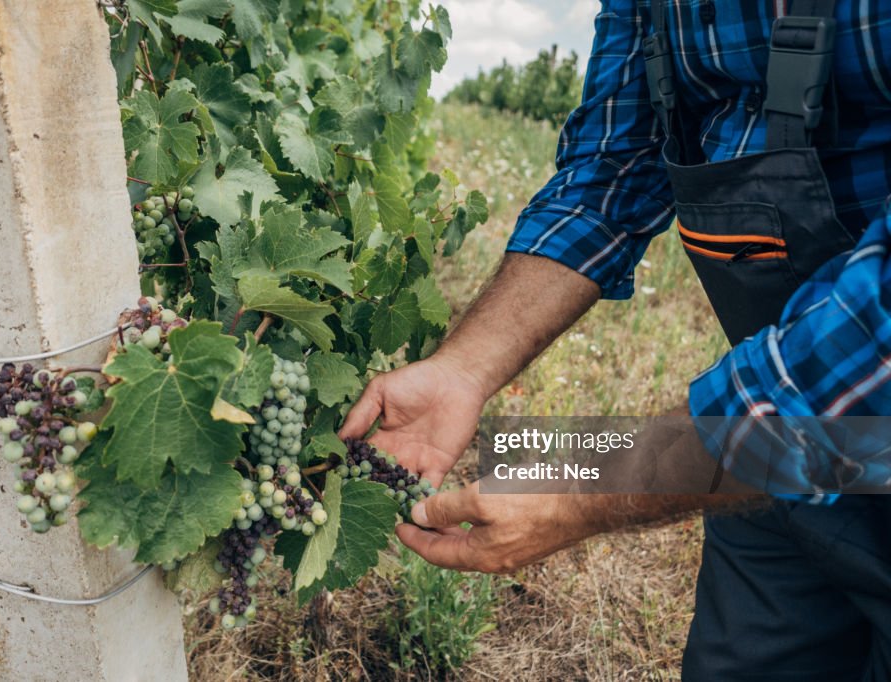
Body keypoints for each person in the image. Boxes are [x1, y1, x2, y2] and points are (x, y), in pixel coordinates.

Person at [339, 1, 891, 678]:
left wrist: (580, 487)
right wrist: (464, 367)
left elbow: (870, 352)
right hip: (770, 456)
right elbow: (610, 167)